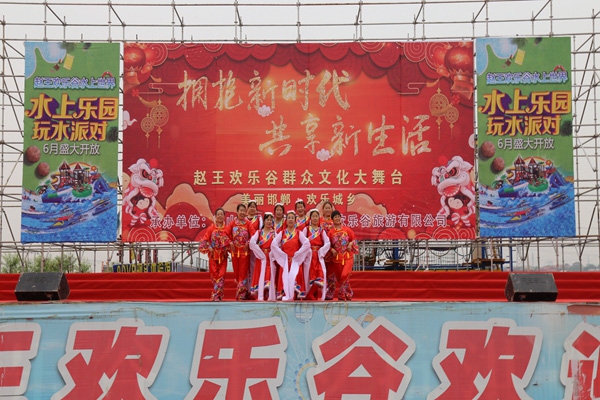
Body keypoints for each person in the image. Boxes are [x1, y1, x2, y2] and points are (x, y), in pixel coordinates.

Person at [270, 211, 310, 300]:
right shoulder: (282, 233)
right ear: (286, 220)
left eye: (292, 218)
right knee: (285, 278)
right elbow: (273, 244)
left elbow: (307, 244)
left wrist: (298, 253)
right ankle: (285, 295)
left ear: (295, 221)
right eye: (289, 218)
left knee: (295, 278)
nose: (291, 220)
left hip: (295, 261)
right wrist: (281, 255)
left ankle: (295, 296)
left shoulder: (299, 233)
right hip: (285, 261)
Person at [198, 208, 230, 301]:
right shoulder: (211, 228)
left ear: (224, 216)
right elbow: (204, 240)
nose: (220, 216)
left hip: (223, 256)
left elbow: (231, 241)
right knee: (215, 274)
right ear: (215, 217)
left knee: (222, 274)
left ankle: (216, 295)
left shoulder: (227, 229)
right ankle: (218, 295)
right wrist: (209, 248)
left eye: (221, 214)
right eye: (218, 214)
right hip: (213, 256)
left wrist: (227, 247)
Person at [327, 210, 359, 301]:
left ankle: (341, 294)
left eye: (338, 216)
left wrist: (350, 244)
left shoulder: (347, 229)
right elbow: (328, 244)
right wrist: (331, 249)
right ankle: (348, 293)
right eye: (335, 217)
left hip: (348, 257)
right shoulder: (330, 232)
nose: (337, 218)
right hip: (337, 258)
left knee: (345, 274)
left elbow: (354, 239)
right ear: (332, 219)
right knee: (340, 277)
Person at [226, 203, 256, 300]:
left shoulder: (248, 223)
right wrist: (230, 242)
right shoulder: (232, 223)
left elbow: (254, 235)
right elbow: (226, 234)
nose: (242, 212)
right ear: (237, 212)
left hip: (244, 252)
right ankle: (240, 291)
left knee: (243, 272)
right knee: (236, 273)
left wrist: (248, 243)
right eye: (241, 210)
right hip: (235, 252)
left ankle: (241, 294)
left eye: (244, 211)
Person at [302, 209, 330, 300]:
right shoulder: (306, 229)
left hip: (318, 256)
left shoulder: (321, 231)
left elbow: (327, 243)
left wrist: (321, 251)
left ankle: (310, 293)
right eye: (313, 216)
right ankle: (310, 294)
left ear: (319, 218)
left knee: (320, 274)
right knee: (310, 275)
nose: (314, 218)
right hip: (309, 256)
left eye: (316, 216)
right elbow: (302, 242)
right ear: (310, 218)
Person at [249, 213, 276, 301]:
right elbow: (252, 242)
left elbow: (277, 245)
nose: (269, 222)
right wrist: (259, 253)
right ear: (264, 221)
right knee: (260, 275)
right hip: (261, 258)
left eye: (270, 220)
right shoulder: (259, 232)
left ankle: (268, 295)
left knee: (269, 276)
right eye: (267, 220)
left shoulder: (274, 233)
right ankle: (260, 295)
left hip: (270, 258)